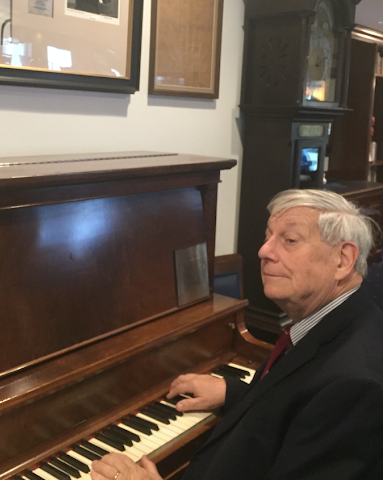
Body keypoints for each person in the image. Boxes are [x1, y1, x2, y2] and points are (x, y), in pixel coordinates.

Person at [90, 189, 383, 480]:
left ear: (343, 260)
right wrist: (234, 394)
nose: (264, 251)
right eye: (268, 236)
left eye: (289, 240)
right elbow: (298, 405)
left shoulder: (354, 387)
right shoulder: (338, 320)